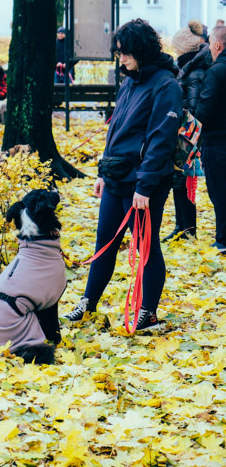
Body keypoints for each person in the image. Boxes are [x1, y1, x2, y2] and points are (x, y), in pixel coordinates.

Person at [65, 18, 183, 331]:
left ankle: (148, 312)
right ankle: (88, 303)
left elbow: (161, 139)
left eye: (126, 53)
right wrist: (103, 171)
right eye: (119, 53)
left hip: (144, 184)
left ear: (141, 50)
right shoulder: (130, 79)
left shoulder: (166, 85)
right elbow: (116, 129)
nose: (122, 59)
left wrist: (144, 187)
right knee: (104, 242)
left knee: (146, 247)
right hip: (116, 178)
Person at [163, 20, 212, 241]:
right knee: (178, 180)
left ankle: (188, 230)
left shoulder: (194, 71)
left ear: (183, 47)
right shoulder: (188, 66)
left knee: (183, 180)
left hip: (188, 135)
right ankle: (181, 226)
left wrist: (181, 121)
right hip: (183, 132)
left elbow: (193, 107)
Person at [195, 25, 226, 253]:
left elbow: (204, 110)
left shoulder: (216, 71)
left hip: (217, 141)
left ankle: (223, 239)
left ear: (217, 45)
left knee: (219, 190)